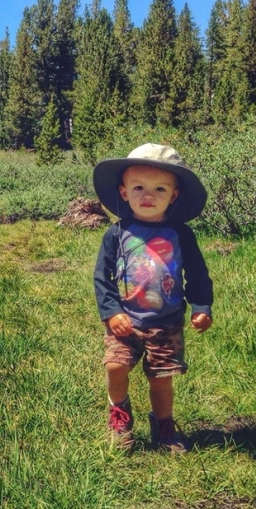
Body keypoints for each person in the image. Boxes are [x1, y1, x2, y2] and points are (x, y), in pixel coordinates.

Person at [92, 143, 213, 453]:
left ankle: (164, 426)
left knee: (161, 379)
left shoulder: (181, 234)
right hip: (124, 321)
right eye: (139, 187)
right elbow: (101, 277)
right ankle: (119, 417)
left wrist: (201, 306)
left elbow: (197, 274)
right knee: (115, 367)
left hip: (166, 323)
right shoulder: (116, 234)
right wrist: (111, 312)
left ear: (173, 195)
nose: (148, 195)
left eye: (160, 188)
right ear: (123, 192)